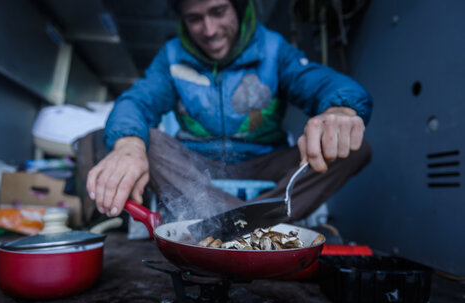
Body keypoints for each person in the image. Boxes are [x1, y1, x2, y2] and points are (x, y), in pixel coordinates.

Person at [86, 0, 372, 223]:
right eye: (194, 18)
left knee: (353, 148)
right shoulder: (172, 56)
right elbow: (136, 102)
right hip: (195, 167)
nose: (209, 30)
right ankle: (253, 223)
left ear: (239, 7)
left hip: (264, 162)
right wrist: (128, 146)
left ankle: (227, 222)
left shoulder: (273, 49)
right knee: (142, 140)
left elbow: (323, 83)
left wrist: (340, 110)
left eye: (218, 11)